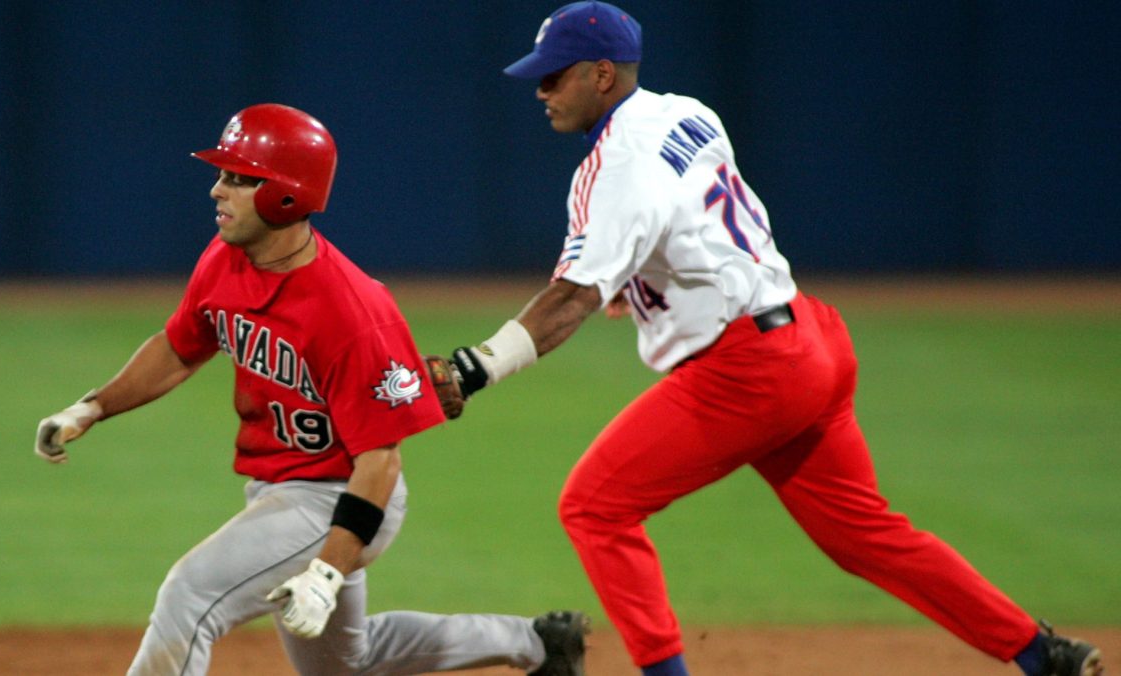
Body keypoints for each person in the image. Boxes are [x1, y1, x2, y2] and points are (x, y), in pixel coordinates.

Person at [434, 3, 1106, 676]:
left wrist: (475, 368)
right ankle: (1041, 653)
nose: (541, 90)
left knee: (594, 506)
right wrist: (640, 282)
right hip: (810, 338)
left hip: (748, 372)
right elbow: (697, 220)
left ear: (602, 75)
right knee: (864, 535)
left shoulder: (615, 167)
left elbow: (571, 299)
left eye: (554, 76)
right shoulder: (688, 113)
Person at [33, 103, 589, 676]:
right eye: (222, 174)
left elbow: (381, 461)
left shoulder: (350, 311)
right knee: (342, 664)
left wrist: (326, 572)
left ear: (286, 196)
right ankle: (540, 644)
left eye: (238, 179)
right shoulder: (226, 257)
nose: (217, 191)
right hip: (281, 487)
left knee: (190, 596)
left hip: (341, 497)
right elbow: (179, 347)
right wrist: (93, 406)